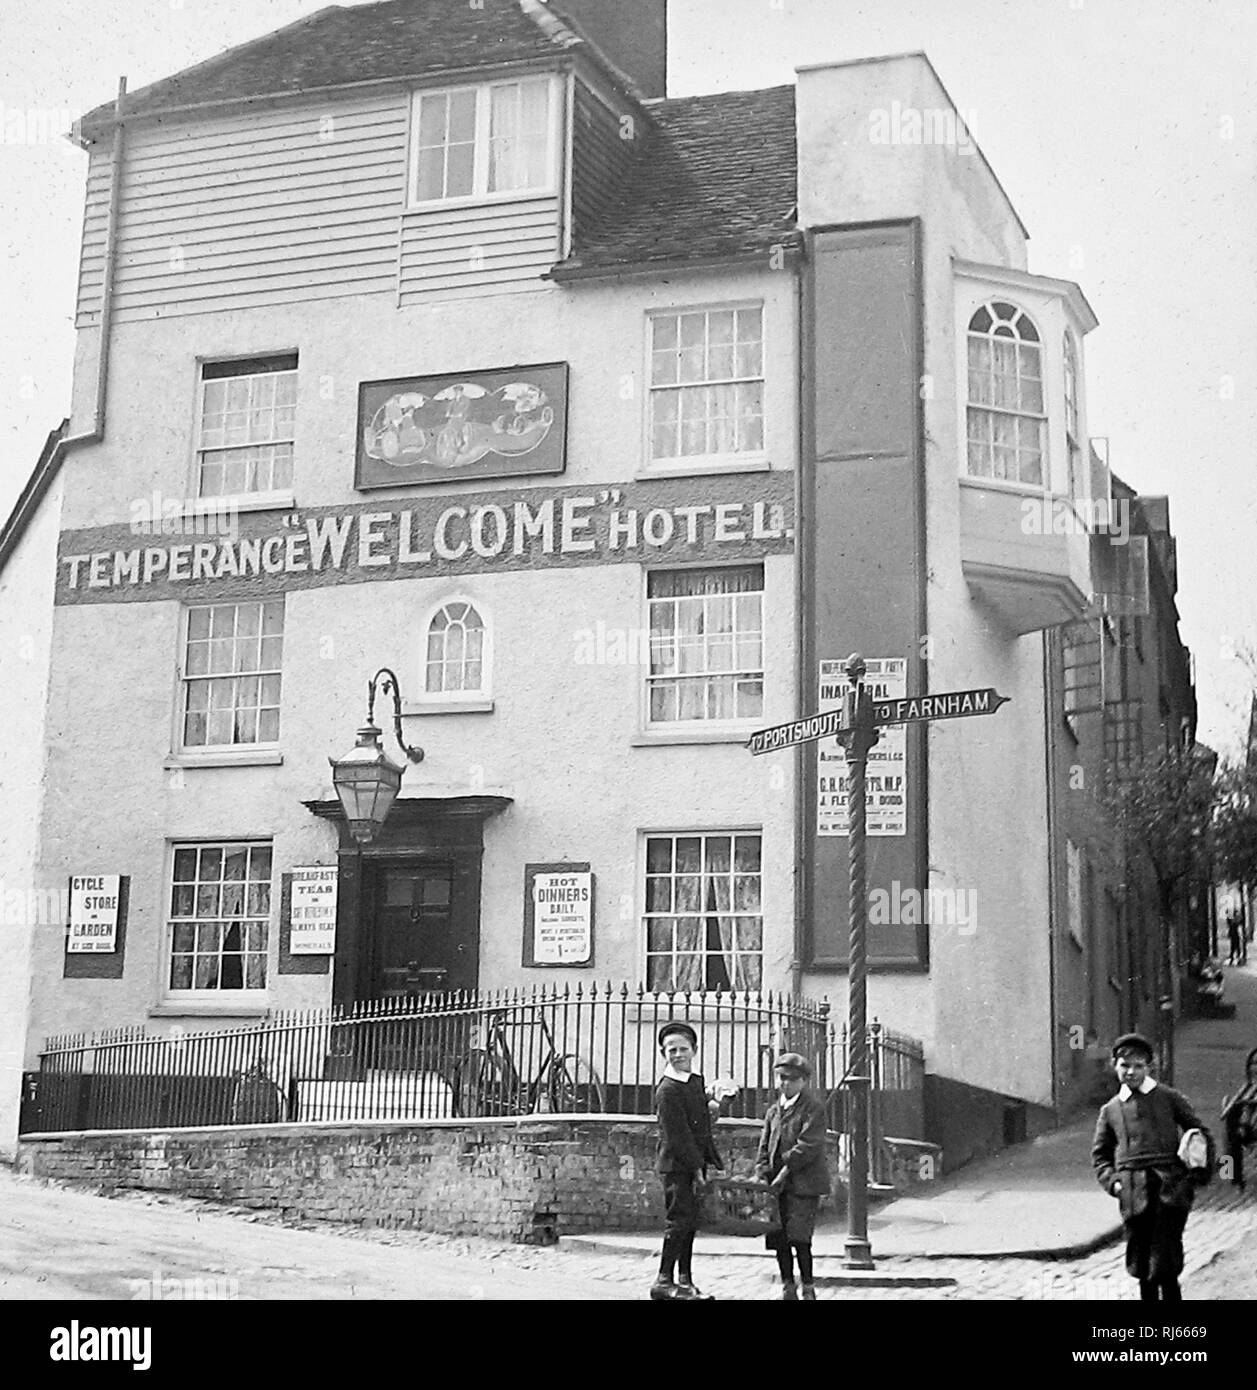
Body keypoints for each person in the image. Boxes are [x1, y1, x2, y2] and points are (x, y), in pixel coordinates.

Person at [1091, 1033, 1211, 1302]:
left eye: (1138, 1065)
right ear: (1115, 1066)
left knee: (1165, 1264)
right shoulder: (1110, 1110)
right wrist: (1114, 1183)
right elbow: (1100, 1156)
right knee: (1142, 1264)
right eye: (1125, 1065)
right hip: (1133, 1192)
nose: (1131, 1071)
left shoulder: (1168, 1097)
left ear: (1149, 1067)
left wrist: (1194, 1175)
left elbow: (1198, 1132)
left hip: (1168, 1188)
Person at [652, 1021, 723, 1301]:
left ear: (694, 1050)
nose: (678, 1054)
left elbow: (700, 1126)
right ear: (663, 1053)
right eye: (672, 1050)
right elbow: (677, 1135)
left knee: (690, 1222)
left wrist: (713, 1103)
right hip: (676, 1165)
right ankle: (663, 1280)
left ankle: (685, 1280)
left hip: (695, 1163)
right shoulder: (667, 1090)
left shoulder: (694, 1081)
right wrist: (697, 1167)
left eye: (683, 1048)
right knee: (678, 1221)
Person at [757, 1052, 831, 1301]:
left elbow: (808, 1146)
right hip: (776, 1186)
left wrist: (784, 1172)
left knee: (800, 1237)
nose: (784, 1083)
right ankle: (788, 1286)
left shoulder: (813, 1109)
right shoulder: (773, 1111)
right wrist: (762, 1172)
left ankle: (808, 1286)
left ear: (803, 1081)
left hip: (803, 1184)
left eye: (791, 1078)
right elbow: (764, 1146)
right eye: (780, 1078)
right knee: (779, 1237)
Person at [1221, 1047, 1257, 1190]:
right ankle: (1231, 1175)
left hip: (1250, 1122)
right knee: (1232, 1119)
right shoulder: (1247, 1088)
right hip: (1246, 1123)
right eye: (1253, 1064)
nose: (1255, 1068)